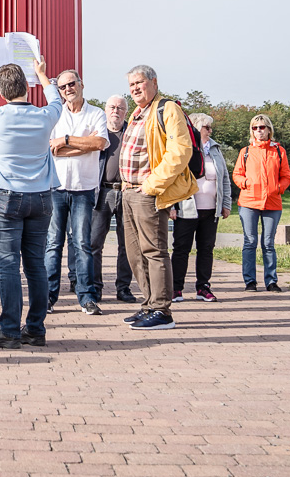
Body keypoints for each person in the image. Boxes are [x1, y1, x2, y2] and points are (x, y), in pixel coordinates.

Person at [0, 54, 61, 349]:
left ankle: (9, 330)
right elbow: (56, 99)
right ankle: (36, 328)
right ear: (26, 89)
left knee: (7, 265)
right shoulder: (46, 116)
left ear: (2, 92)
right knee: (36, 265)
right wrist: (42, 74)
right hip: (41, 198)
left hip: (6, 197)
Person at [119, 65, 198, 331]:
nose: (135, 89)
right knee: (135, 253)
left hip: (147, 191)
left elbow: (180, 151)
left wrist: (152, 185)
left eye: (139, 83)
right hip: (128, 191)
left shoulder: (167, 109)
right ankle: (149, 304)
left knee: (154, 251)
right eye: (131, 85)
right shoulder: (137, 113)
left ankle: (162, 310)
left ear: (153, 82)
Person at [47, 70, 109, 316]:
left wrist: (65, 140)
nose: (67, 89)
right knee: (52, 244)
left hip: (84, 188)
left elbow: (100, 144)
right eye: (62, 87)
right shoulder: (54, 114)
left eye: (71, 84)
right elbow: (50, 150)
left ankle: (86, 297)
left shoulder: (97, 113)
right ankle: (49, 297)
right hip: (56, 187)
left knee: (83, 244)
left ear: (81, 85)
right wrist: (82, 145)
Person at [172, 113, 232, 303]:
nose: (210, 130)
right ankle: (175, 288)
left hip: (210, 209)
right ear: (196, 128)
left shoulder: (215, 149)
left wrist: (226, 204)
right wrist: (172, 206)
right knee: (181, 249)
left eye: (210, 127)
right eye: (206, 127)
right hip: (187, 208)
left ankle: (203, 287)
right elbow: (173, 178)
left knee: (206, 249)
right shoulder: (184, 148)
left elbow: (224, 178)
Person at [232, 113, 290, 293]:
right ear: (252, 130)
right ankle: (250, 282)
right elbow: (237, 174)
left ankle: (271, 281)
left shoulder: (279, 151)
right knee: (250, 242)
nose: (259, 131)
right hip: (249, 202)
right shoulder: (246, 151)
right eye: (255, 128)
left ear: (269, 130)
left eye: (262, 127)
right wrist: (246, 184)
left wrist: (278, 188)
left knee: (268, 244)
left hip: (272, 203)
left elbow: (286, 176)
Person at [87, 94, 135, 304]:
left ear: (126, 111)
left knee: (127, 245)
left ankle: (123, 288)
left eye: (120, 108)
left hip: (126, 192)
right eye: (112, 107)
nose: (116, 111)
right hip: (101, 193)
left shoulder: (132, 133)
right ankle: (95, 287)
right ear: (105, 110)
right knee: (94, 243)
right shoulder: (97, 133)